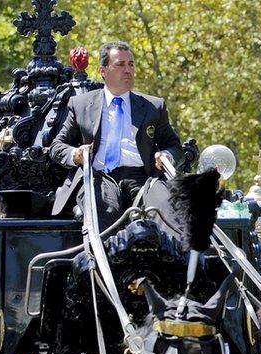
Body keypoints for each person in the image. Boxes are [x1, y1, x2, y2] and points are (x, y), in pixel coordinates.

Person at [50, 41, 182, 230]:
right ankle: (103, 259)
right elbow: (57, 146)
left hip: (143, 179)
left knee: (165, 209)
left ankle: (177, 258)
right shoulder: (80, 104)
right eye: (120, 64)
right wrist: (75, 155)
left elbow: (175, 147)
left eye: (131, 64)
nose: (128, 70)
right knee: (104, 210)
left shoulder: (154, 106)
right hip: (100, 177)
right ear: (103, 71)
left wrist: (166, 155)